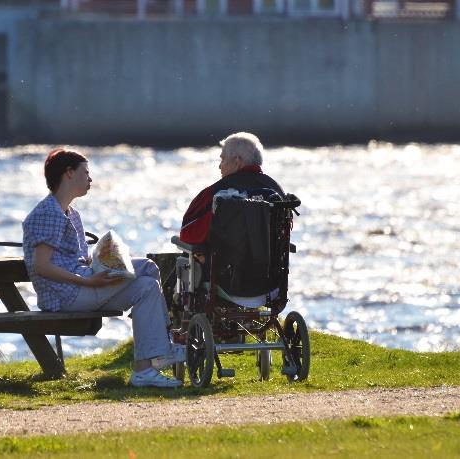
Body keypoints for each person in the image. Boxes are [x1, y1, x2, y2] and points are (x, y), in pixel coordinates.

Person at [22, 148, 184, 388]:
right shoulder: (48, 213)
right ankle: (161, 350)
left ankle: (145, 368)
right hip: (66, 295)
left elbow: (75, 258)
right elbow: (42, 266)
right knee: (148, 269)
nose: (90, 179)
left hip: (81, 285)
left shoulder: (71, 214)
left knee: (147, 284)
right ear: (68, 173)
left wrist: (102, 260)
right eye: (85, 173)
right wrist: (89, 281)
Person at [180, 132, 285, 248]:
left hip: (222, 264)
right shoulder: (276, 191)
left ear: (237, 162)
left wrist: (220, 214)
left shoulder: (216, 192)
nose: (220, 166)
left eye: (223, 159)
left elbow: (186, 233)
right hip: (273, 265)